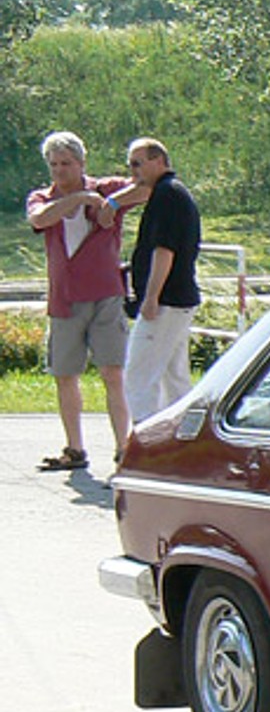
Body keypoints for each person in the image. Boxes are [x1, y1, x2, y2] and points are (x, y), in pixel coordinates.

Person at [25, 132, 139, 470]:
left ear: (82, 163)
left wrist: (111, 203)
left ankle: (124, 447)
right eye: (54, 164)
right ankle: (75, 449)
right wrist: (80, 200)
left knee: (112, 373)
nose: (59, 171)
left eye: (66, 164)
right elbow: (39, 219)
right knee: (65, 373)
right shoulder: (43, 197)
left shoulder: (108, 189)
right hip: (65, 298)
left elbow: (146, 188)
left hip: (106, 295)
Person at [122, 138, 203, 423]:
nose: (133, 172)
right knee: (174, 376)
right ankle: (182, 441)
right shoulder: (170, 192)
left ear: (158, 161)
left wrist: (151, 296)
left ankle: (146, 441)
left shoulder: (167, 195)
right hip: (178, 299)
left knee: (139, 374)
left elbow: (164, 250)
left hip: (166, 301)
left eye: (137, 164)